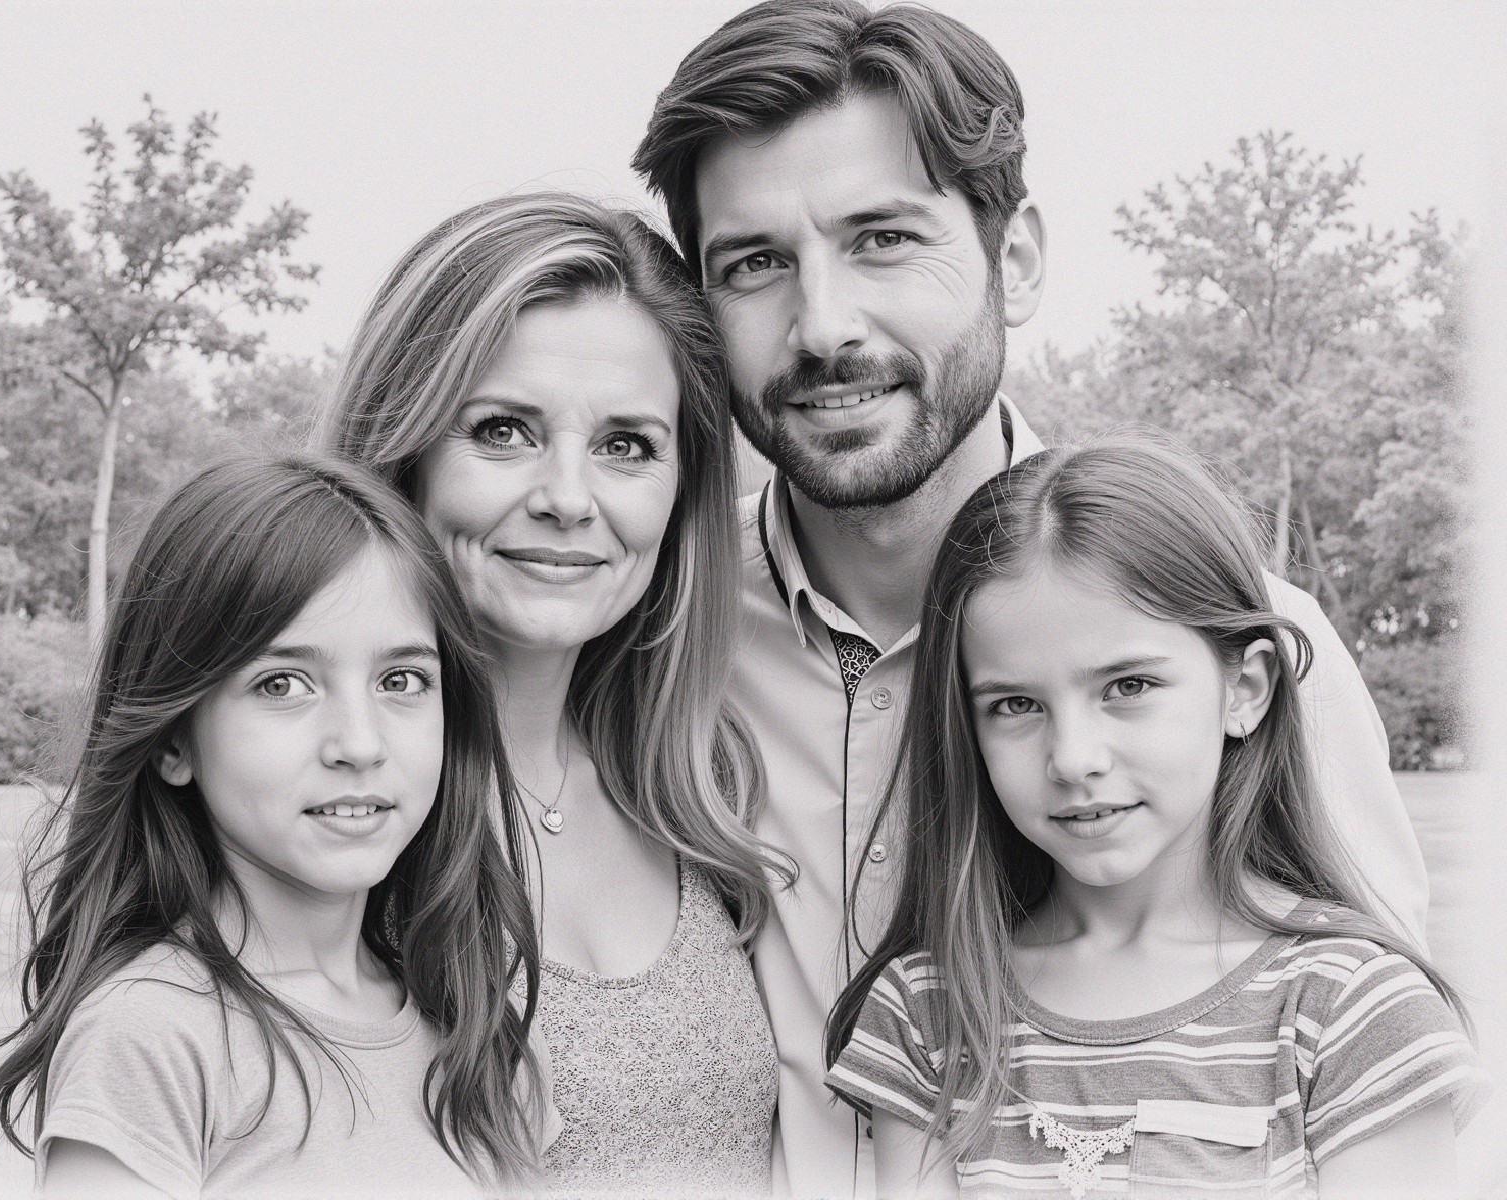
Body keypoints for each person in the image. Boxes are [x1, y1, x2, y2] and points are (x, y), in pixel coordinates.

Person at [631, 2, 1431, 1195]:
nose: (825, 325)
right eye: (754, 264)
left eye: (883, 239)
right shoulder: (645, 650)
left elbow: (1367, 1089)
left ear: (1015, 259)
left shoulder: (1252, 651)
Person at [823, 439, 1485, 1197]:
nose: (1073, 757)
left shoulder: (1352, 1011)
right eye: (1016, 705)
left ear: (1246, 689)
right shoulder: (929, 1012)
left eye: (1128, 686)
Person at [319, 191, 794, 1197]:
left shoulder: (706, 792)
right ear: (399, 451)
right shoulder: (317, 807)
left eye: (626, 445)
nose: (568, 498)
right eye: (502, 430)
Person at [0, 454, 550, 1197]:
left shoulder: (471, 1026)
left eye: (401, 681)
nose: (361, 744)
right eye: (283, 684)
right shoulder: (151, 1036)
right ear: (175, 738)